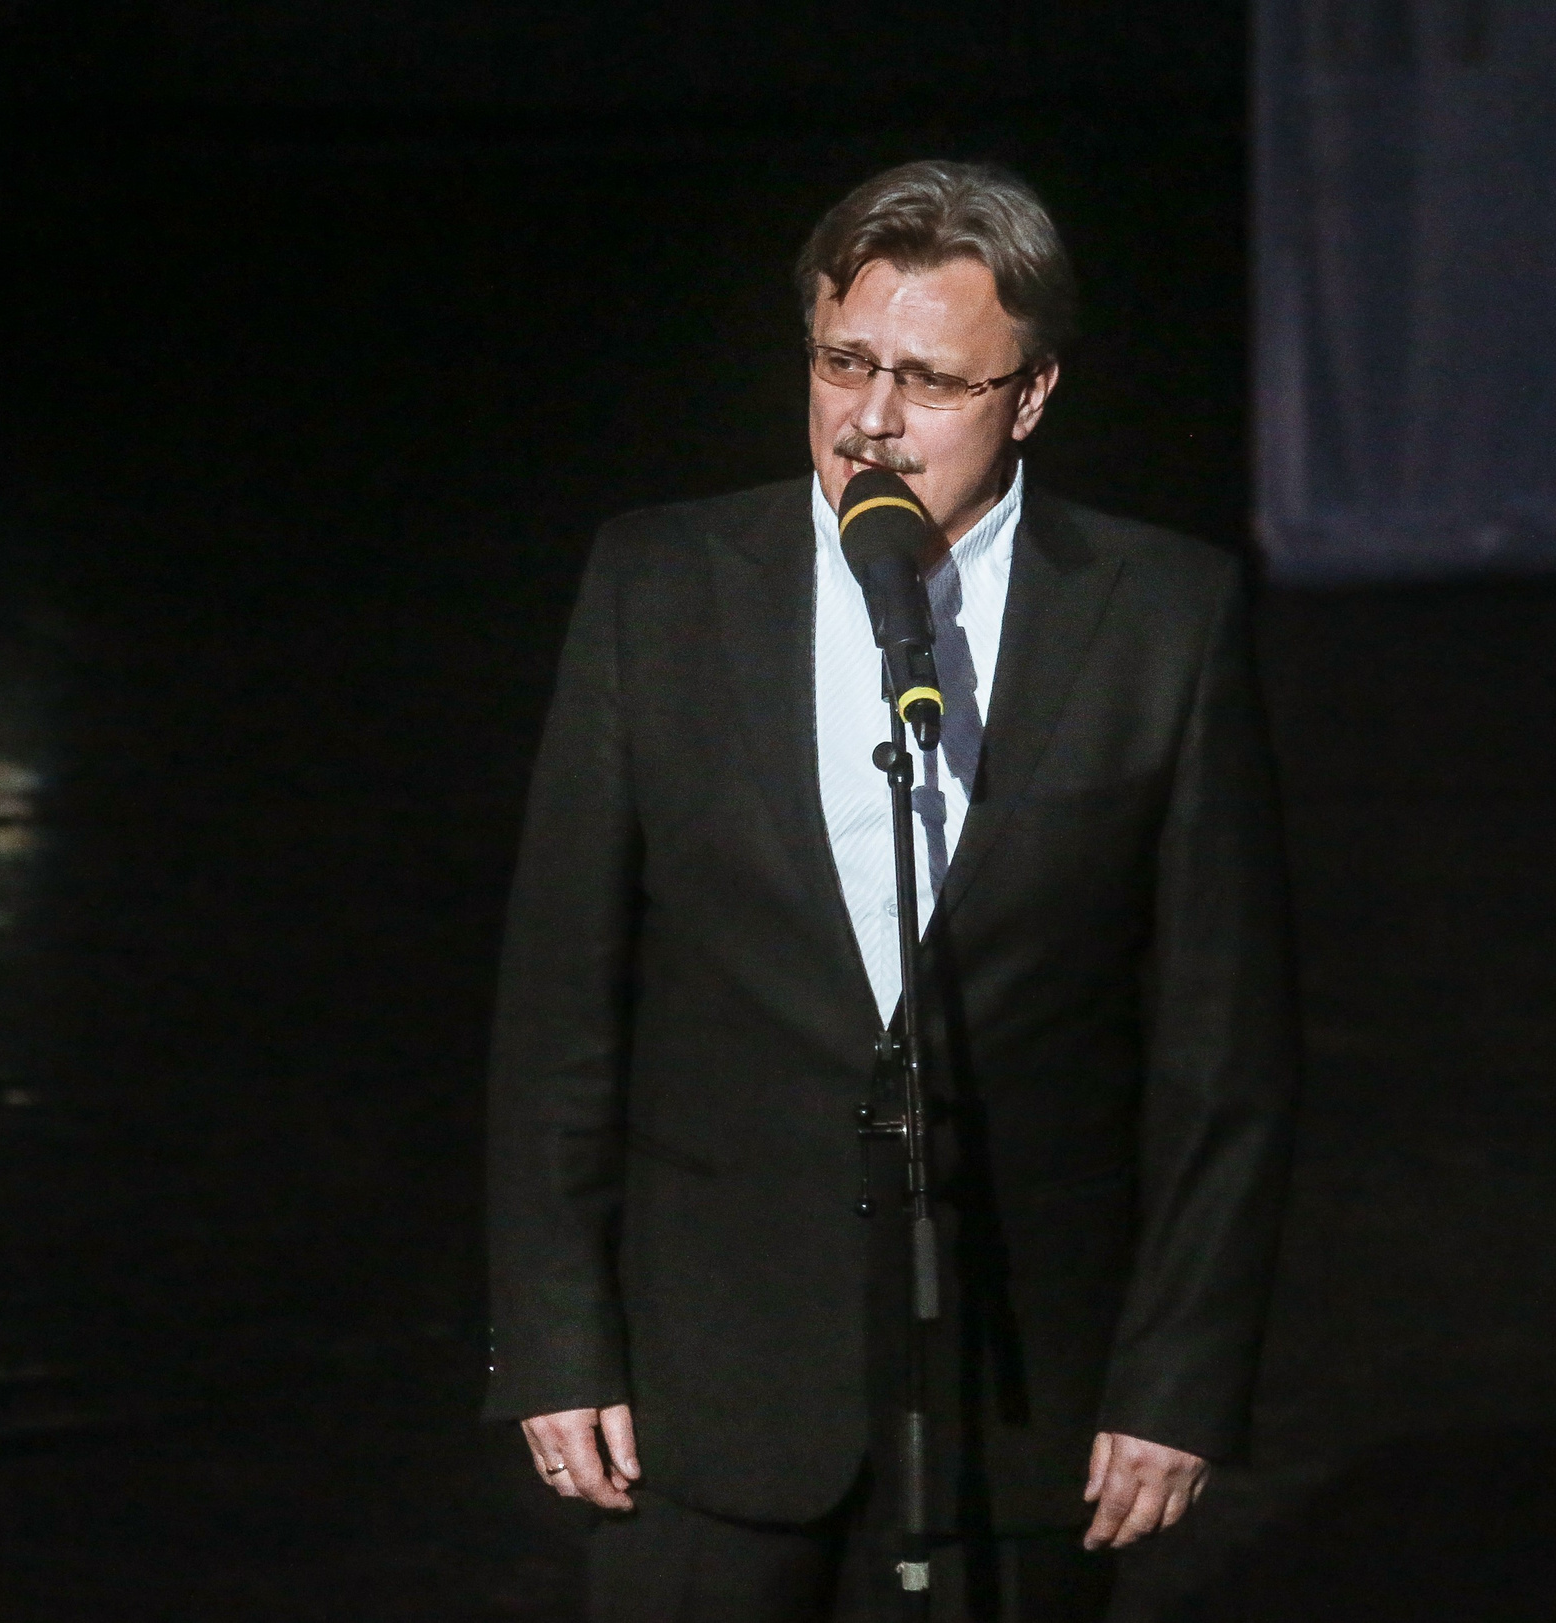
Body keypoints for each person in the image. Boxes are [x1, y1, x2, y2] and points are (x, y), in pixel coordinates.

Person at [483, 159, 1297, 1621]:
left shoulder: (1163, 619)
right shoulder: (659, 586)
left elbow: (1221, 1050)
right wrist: (553, 1340)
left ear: (1030, 396)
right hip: (702, 1398)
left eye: (928, 379)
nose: (870, 415)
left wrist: (1178, 1378)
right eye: (843, 360)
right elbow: (559, 1003)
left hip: (1020, 1406)